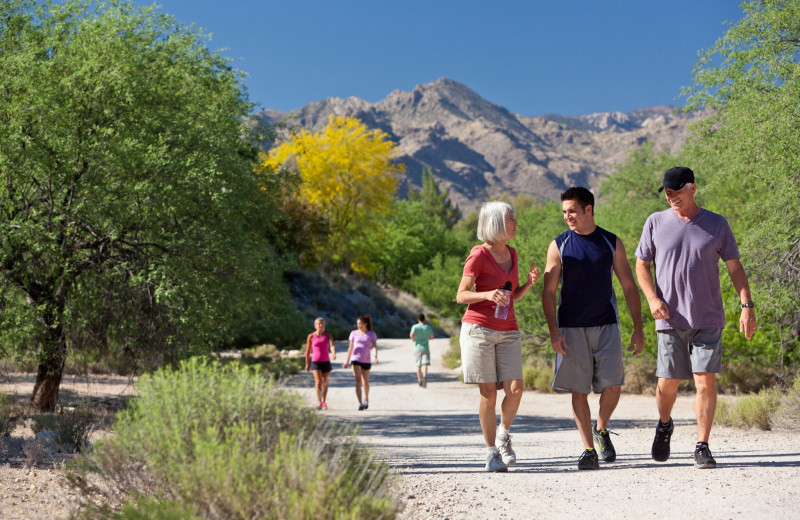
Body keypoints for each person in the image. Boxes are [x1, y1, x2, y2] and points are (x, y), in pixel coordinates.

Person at [635, 166, 757, 469]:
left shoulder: (716, 224)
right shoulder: (655, 222)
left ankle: (702, 445)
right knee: (668, 384)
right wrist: (652, 299)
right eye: (666, 191)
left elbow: (735, 268)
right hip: (669, 319)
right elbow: (641, 265)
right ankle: (665, 423)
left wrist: (747, 305)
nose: (671, 196)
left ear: (693, 188)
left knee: (705, 382)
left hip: (707, 318)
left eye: (676, 190)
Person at [541, 187, 644, 470]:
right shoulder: (558, 245)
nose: (567, 217)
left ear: (589, 209)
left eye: (572, 210)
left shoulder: (611, 242)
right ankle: (589, 449)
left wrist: (638, 327)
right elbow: (548, 292)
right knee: (578, 390)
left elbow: (628, 286)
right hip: (571, 328)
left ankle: (601, 428)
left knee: (613, 386)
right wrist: (553, 331)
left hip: (607, 324)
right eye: (564, 212)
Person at [456, 200, 540, 473]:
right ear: (495, 224)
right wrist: (486, 294)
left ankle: (504, 435)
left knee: (516, 389)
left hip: (508, 330)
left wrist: (528, 284)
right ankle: (491, 452)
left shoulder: (513, 254)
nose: (516, 223)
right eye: (511, 219)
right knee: (489, 393)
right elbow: (461, 295)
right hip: (478, 329)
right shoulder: (478, 255)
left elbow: (511, 296)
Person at [343, 314, 378, 411]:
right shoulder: (353, 333)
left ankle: (366, 399)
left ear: (365, 324)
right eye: (357, 324)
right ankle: (360, 403)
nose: (358, 325)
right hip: (355, 360)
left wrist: (375, 356)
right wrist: (347, 361)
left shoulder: (371, 334)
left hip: (366, 360)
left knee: (365, 382)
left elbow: (374, 346)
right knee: (358, 381)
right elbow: (350, 348)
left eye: (360, 324)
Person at [304, 317, 337, 410]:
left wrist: (334, 353)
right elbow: (308, 351)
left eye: (322, 324)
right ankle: (319, 402)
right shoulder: (311, 336)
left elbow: (332, 345)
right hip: (315, 362)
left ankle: (323, 401)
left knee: (325, 382)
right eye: (319, 324)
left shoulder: (328, 335)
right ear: (315, 326)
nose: (321, 325)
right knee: (318, 381)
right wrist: (307, 363)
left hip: (326, 361)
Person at [410, 313, 435, 387]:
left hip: (417, 348)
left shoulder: (415, 327)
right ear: (424, 320)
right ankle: (425, 377)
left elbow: (411, 335)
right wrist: (428, 338)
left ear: (418, 319)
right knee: (425, 364)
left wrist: (414, 339)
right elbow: (432, 337)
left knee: (418, 365)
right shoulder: (428, 327)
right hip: (425, 348)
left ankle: (419, 380)